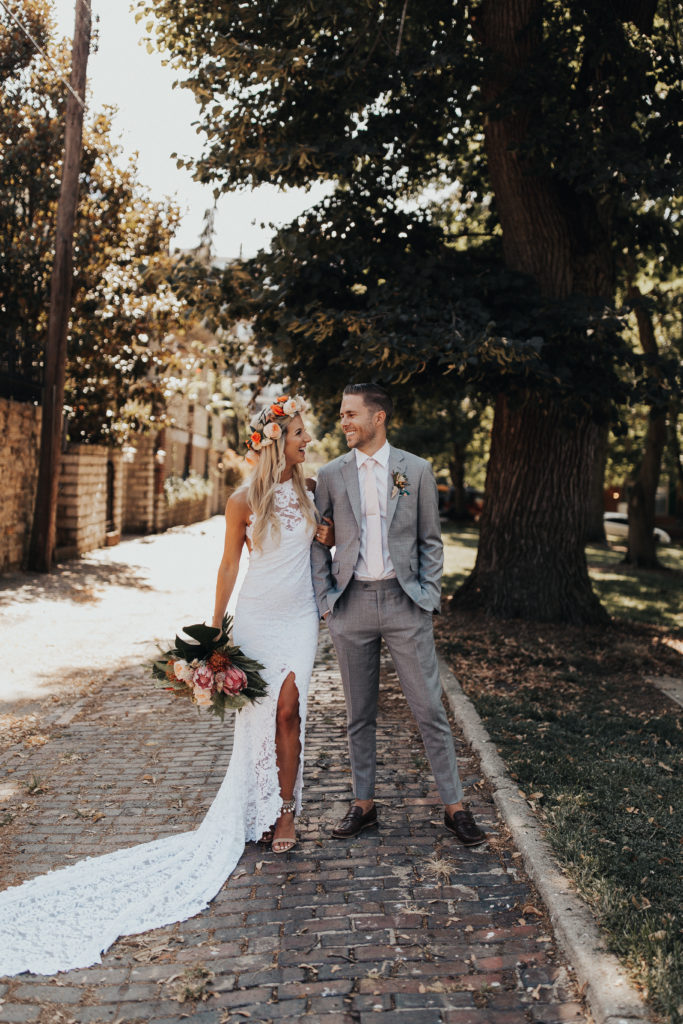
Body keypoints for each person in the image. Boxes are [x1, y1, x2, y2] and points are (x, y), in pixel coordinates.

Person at [0, 395, 331, 976]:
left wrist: (326, 540)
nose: (309, 440)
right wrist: (213, 629)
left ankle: (285, 811)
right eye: (301, 432)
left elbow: (321, 543)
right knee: (263, 716)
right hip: (257, 617)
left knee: (289, 709)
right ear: (277, 438)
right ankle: (266, 805)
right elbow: (230, 565)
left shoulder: (310, 492)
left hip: (299, 617)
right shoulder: (238, 502)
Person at [311, 383, 486, 847]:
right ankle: (363, 804)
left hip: (405, 603)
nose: (344, 422)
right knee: (358, 714)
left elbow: (431, 540)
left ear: (378, 417)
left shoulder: (416, 470)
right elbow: (318, 541)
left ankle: (455, 808)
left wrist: (428, 596)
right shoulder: (330, 474)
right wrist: (327, 600)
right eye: (342, 414)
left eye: (351, 414)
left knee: (429, 709)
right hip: (351, 605)